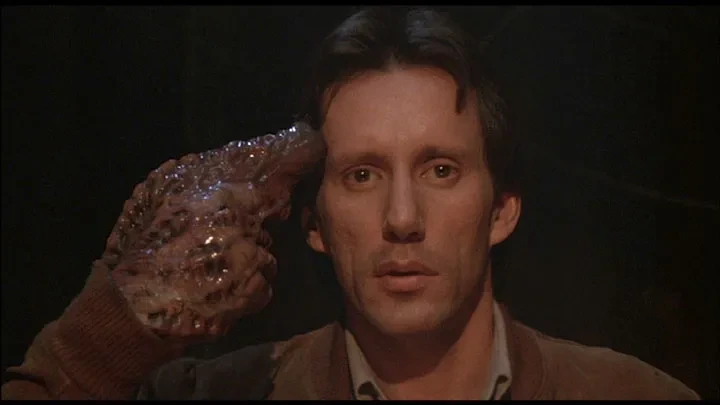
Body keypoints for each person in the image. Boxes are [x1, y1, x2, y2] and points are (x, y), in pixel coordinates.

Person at [1, 6, 700, 400]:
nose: (403, 219)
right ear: (314, 222)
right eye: (362, 175)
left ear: (502, 210)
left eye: (441, 169)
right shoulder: (221, 396)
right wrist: (118, 322)